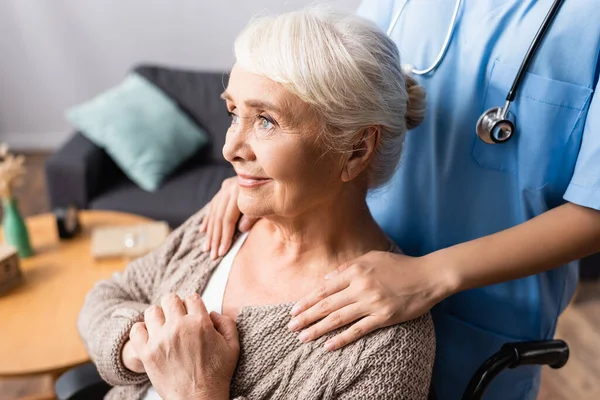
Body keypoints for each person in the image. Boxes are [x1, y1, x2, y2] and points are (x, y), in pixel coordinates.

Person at [200, 0, 600, 399]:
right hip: (349, 278)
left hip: (485, 325)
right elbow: (332, 106)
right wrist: (269, 182)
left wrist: (432, 274)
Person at [78, 7, 435, 400]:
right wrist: (142, 349)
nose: (229, 149)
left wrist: (196, 390)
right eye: (234, 113)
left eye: (266, 120)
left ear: (355, 149)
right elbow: (106, 297)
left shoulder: (387, 347)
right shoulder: (228, 219)